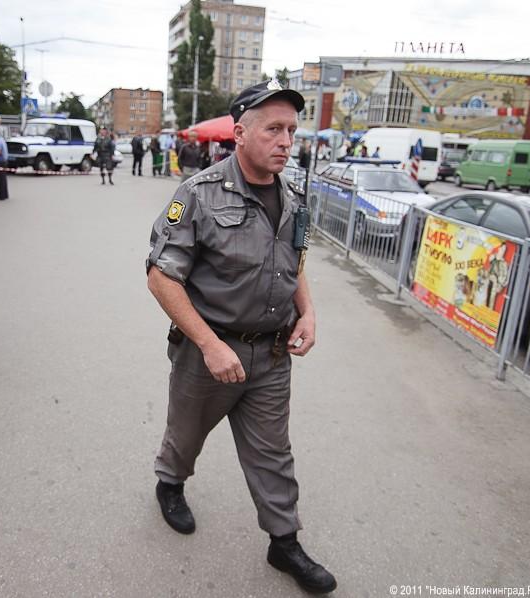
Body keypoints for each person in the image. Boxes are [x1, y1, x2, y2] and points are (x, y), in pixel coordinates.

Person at [145, 79, 337, 594]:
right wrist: (209, 344)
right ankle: (170, 484)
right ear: (240, 133)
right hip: (207, 355)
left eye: (292, 131)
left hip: (271, 354)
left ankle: (284, 541)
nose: (285, 141)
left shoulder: (293, 199)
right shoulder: (199, 194)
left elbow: (295, 262)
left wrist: (309, 313)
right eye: (273, 129)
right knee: (185, 437)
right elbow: (161, 276)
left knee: (273, 453)